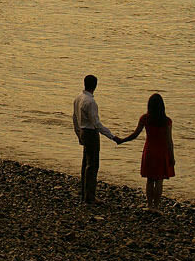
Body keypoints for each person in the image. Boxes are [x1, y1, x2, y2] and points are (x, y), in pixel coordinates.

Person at [116, 93, 175, 211]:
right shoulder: (167, 121)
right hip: (162, 152)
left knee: (150, 179)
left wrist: (122, 140)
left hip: (149, 151)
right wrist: (172, 157)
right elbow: (169, 141)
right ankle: (156, 207)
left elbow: (135, 134)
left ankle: (149, 205)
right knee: (159, 180)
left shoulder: (145, 118)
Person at [71, 74, 119, 206]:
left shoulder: (78, 98)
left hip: (82, 131)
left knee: (85, 163)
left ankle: (84, 193)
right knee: (92, 164)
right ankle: (90, 197)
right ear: (95, 86)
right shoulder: (90, 102)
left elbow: (74, 118)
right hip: (90, 133)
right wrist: (112, 137)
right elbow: (96, 124)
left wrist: (78, 134)